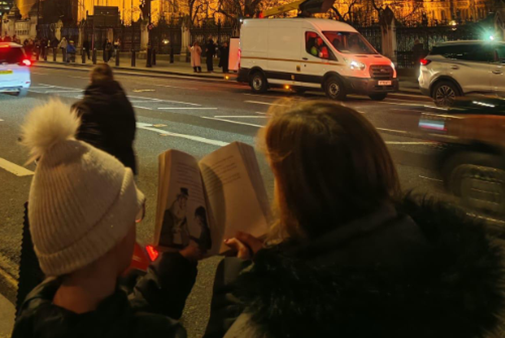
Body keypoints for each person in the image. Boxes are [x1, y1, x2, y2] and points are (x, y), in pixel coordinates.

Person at [204, 100, 505, 338]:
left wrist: (236, 290)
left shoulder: (289, 314)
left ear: (301, 191)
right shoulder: (445, 265)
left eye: (278, 175)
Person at [13, 99, 200, 338]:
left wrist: (176, 266)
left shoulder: (35, 310)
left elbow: (118, 317)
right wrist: (231, 295)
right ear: (111, 238)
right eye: (132, 215)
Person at [72, 63, 137, 173]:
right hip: (124, 167)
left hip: (96, 170)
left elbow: (74, 142)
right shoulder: (125, 104)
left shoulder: (81, 108)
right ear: (112, 78)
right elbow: (130, 133)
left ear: (91, 80)